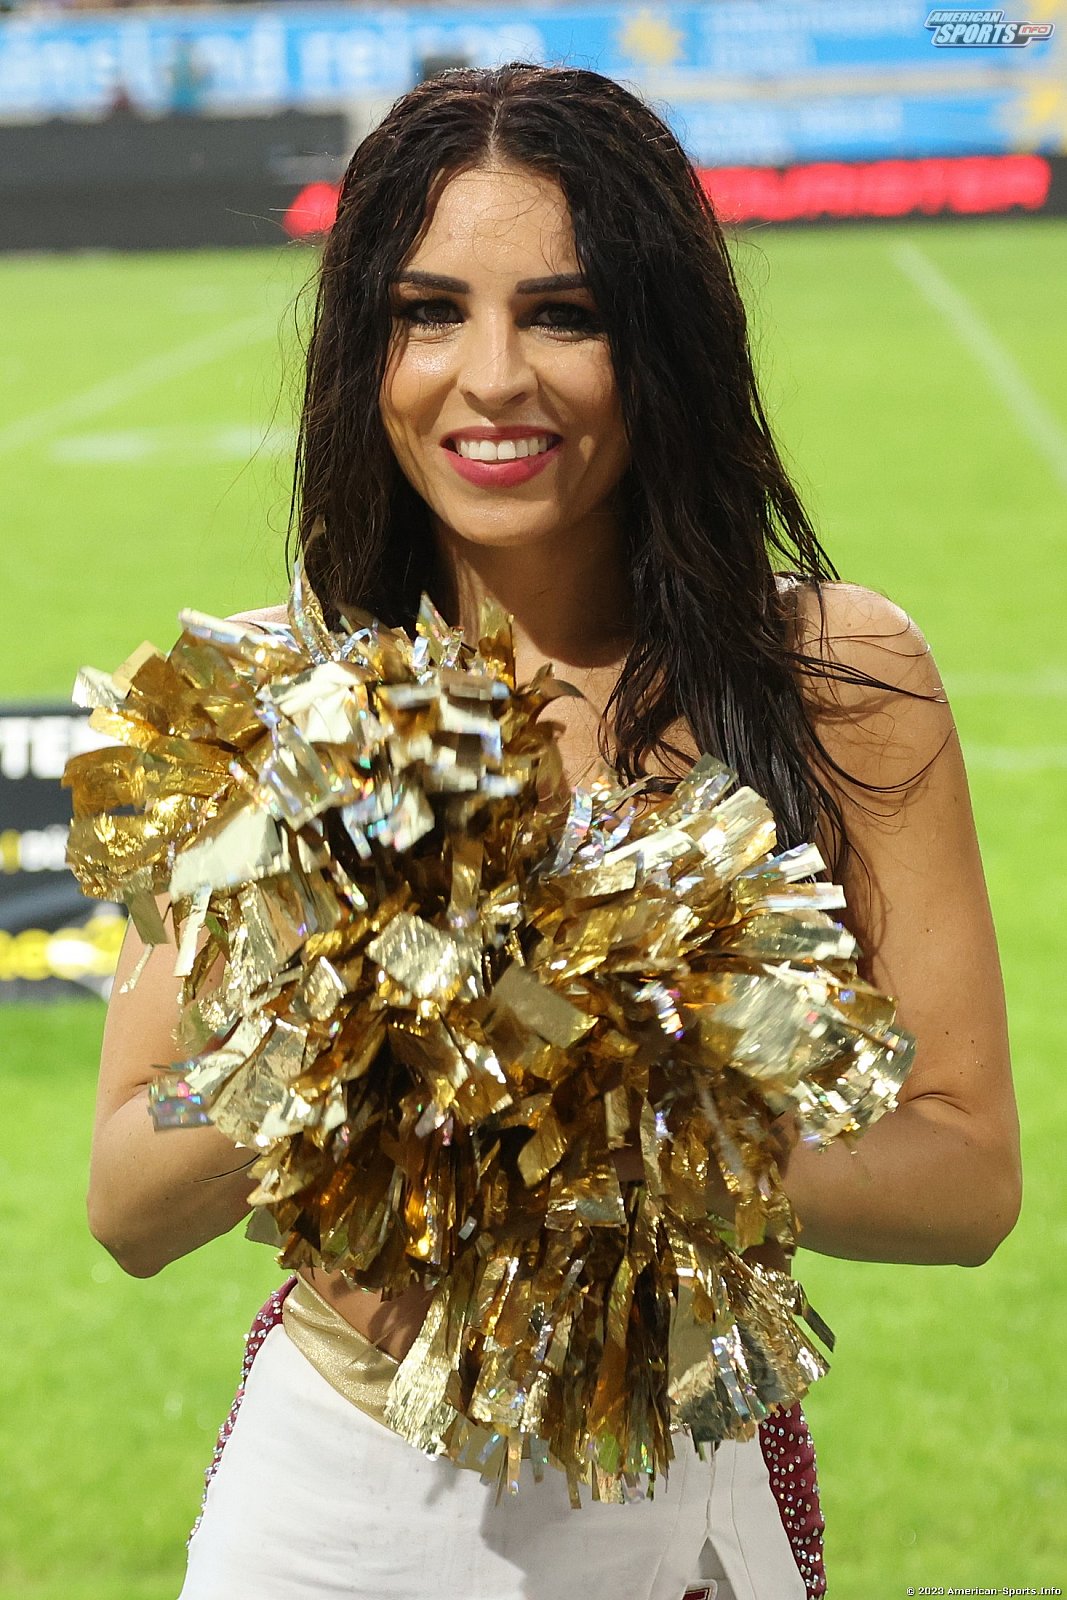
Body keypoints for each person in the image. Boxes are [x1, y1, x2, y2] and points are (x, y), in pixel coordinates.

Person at [87, 64, 1022, 1600]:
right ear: (369, 351)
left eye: (564, 315)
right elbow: (128, 1194)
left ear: (659, 341)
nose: (491, 376)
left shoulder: (836, 677)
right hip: (333, 1510)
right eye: (429, 312)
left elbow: (966, 1174)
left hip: (687, 1503)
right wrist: (349, 1043)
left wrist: (618, 1111)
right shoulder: (271, 704)